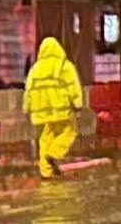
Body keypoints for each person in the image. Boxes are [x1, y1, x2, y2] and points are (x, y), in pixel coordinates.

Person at [22, 32, 86, 179]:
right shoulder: (65, 66)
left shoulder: (35, 69)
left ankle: (46, 171)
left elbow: (29, 90)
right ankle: (54, 154)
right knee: (69, 131)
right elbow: (73, 86)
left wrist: (27, 107)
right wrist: (77, 103)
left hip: (42, 111)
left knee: (45, 137)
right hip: (60, 109)